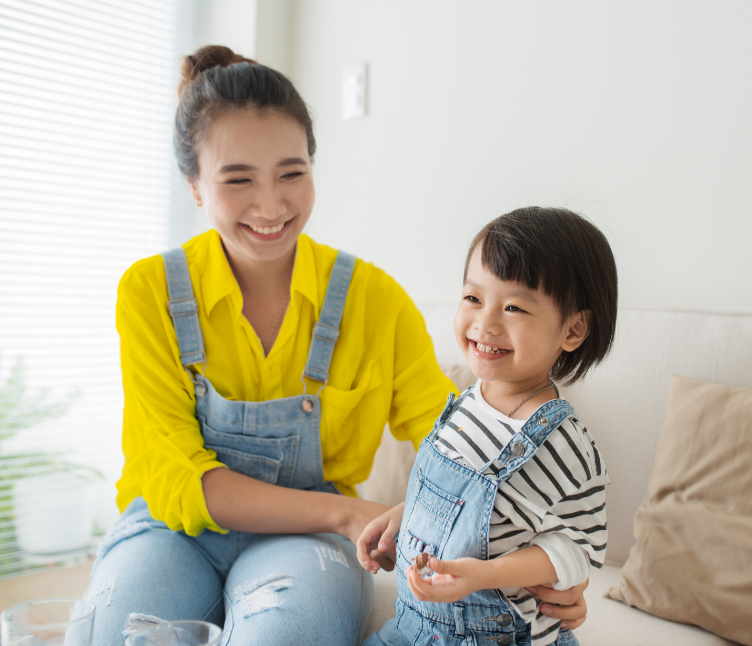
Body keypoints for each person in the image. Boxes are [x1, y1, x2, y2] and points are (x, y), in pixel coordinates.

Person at [84, 46, 590, 645]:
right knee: (116, 633)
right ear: (194, 185)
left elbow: (459, 444)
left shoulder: (372, 299)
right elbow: (178, 479)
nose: (270, 205)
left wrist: (545, 563)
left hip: (310, 547)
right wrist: (348, 512)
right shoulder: (151, 292)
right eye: (237, 178)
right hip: (170, 529)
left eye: (291, 173)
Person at [357, 207, 617, 646]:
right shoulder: (466, 403)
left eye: (513, 306)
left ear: (573, 330)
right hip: (413, 628)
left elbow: (577, 551)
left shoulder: (564, 445)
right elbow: (464, 506)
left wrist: (485, 575)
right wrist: (403, 519)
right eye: (474, 298)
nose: (485, 323)